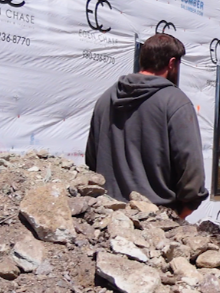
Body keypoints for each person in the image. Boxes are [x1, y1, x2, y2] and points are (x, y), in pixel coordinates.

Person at [85, 33, 207, 218]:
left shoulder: (105, 99)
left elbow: (92, 160)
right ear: (172, 63)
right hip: (155, 219)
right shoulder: (176, 102)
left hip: (108, 217)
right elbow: (191, 168)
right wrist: (184, 210)